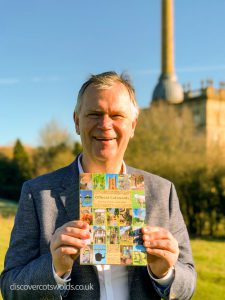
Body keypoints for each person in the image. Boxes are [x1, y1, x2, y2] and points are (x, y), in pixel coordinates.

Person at [0, 71, 196, 300]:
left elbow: (188, 283)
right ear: (76, 121)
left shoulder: (163, 191)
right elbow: (10, 287)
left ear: (133, 125)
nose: (105, 124)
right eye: (94, 113)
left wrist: (164, 272)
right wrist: (55, 268)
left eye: (116, 115)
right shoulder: (37, 194)